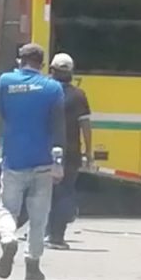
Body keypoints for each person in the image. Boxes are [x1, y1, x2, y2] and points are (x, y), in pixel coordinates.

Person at [0, 43, 66, 280]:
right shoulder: (53, 88)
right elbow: (58, 127)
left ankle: (8, 238)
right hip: (43, 160)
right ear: (42, 64)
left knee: (7, 208)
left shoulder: (5, 82)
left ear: (20, 60)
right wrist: (58, 163)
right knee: (39, 217)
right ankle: (32, 265)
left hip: (14, 158)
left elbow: (2, 113)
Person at [46, 53, 92, 250]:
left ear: (52, 71)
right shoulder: (79, 95)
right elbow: (86, 126)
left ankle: (41, 232)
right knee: (65, 192)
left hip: (45, 151)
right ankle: (56, 236)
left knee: (43, 192)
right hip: (70, 152)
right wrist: (88, 152)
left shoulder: (45, 92)